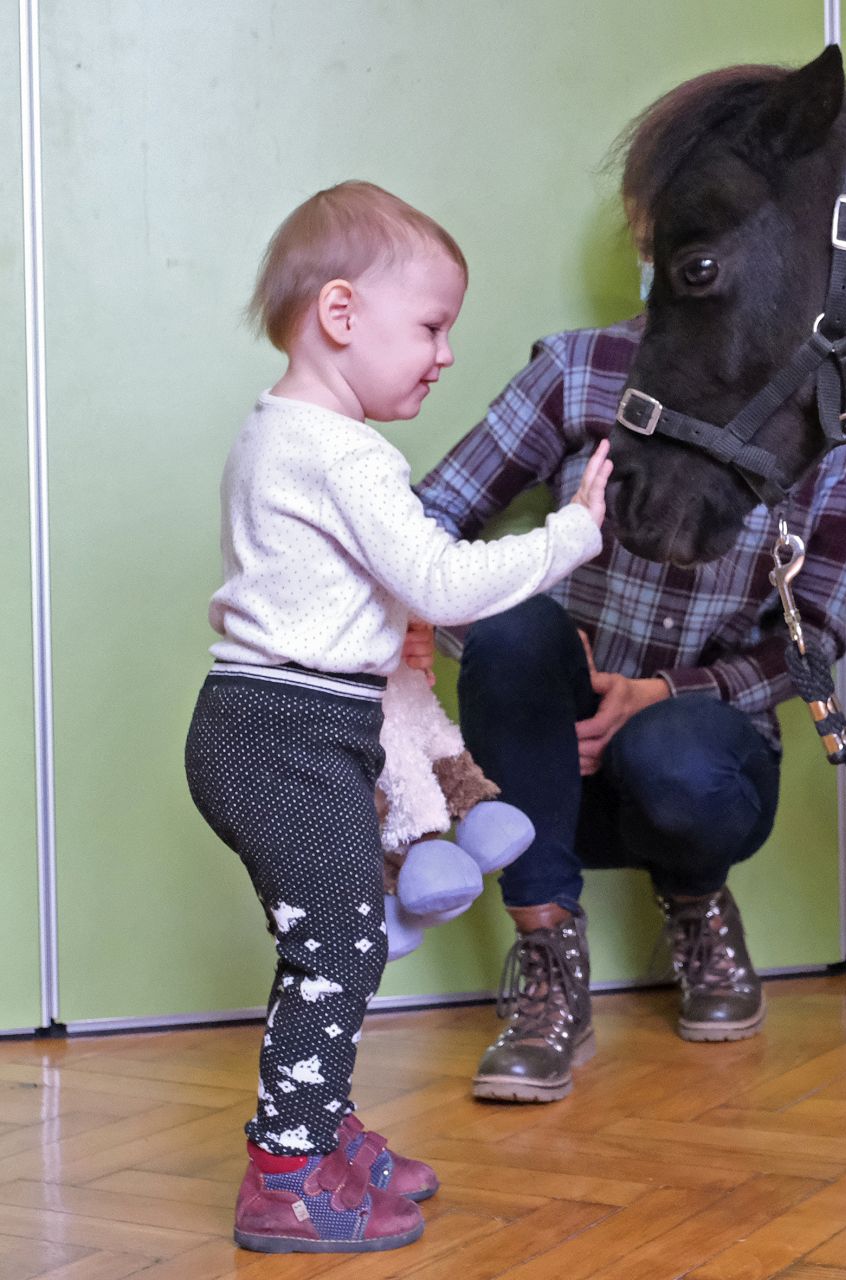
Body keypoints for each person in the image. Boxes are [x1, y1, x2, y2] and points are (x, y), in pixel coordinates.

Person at [185, 181, 611, 1253]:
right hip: (282, 732)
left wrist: (391, 624)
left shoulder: (283, 435)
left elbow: (345, 587)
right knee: (336, 941)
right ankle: (284, 1170)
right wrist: (570, 535)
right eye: (430, 325)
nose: (445, 352)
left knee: (345, 938)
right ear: (340, 315)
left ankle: (318, 1127)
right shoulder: (340, 451)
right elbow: (444, 575)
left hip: (287, 723)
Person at [414, 140, 846, 1100]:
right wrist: (529, 680)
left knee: (676, 752)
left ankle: (699, 906)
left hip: (697, 766)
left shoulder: (833, 421)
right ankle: (547, 969)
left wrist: (662, 693)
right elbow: (418, 535)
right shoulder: (579, 372)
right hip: (536, 773)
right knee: (509, 636)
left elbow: (817, 638)